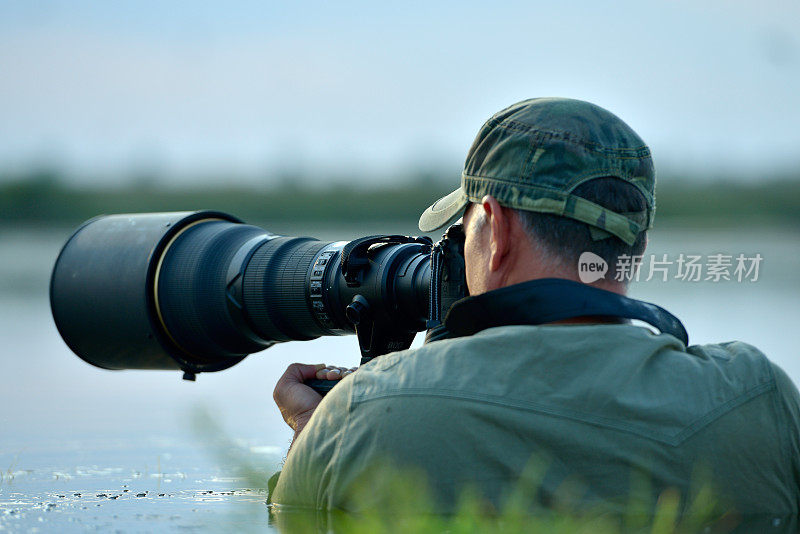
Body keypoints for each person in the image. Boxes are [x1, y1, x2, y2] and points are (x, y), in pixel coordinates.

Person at [270, 98, 800, 525]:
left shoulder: (364, 413)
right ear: (634, 246)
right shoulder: (759, 399)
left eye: (463, 231)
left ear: (496, 232)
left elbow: (292, 518)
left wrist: (312, 434)